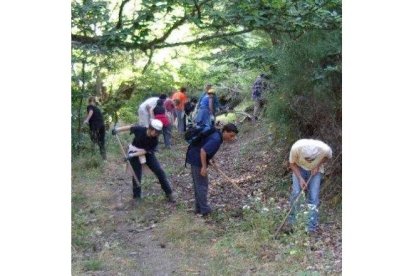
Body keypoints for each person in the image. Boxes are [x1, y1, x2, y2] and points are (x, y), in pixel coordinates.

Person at [111, 119, 177, 203]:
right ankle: (137, 197)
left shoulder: (155, 140)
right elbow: (130, 127)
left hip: (146, 153)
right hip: (134, 150)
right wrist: (117, 130)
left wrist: (132, 155)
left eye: (158, 133)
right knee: (136, 174)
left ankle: (169, 193)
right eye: (155, 132)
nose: (156, 134)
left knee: (159, 171)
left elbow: (145, 151)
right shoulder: (140, 129)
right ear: (150, 128)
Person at [185, 123, 239, 216]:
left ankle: (199, 208)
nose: (232, 138)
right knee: (202, 185)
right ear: (225, 132)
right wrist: (204, 167)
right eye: (231, 135)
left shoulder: (218, 135)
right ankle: (205, 210)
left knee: (199, 185)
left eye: (233, 136)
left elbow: (208, 149)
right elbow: (203, 151)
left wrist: (213, 160)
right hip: (196, 159)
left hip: (195, 156)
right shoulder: (216, 139)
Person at [286, 139, 332, 235]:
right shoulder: (296, 148)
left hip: (316, 171)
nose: (309, 159)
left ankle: (311, 228)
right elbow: (292, 164)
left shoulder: (325, 149)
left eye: (312, 158)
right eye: (307, 157)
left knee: (313, 197)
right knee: (296, 194)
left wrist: (318, 165)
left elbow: (327, 157)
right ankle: (292, 225)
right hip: (299, 168)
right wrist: (300, 178)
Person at [83, 96, 106, 160]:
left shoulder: (90, 106)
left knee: (93, 141)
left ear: (89, 101)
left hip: (95, 126)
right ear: (94, 101)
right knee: (102, 142)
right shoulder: (97, 108)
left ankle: (93, 157)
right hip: (102, 126)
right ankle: (104, 159)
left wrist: (87, 120)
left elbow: (91, 112)